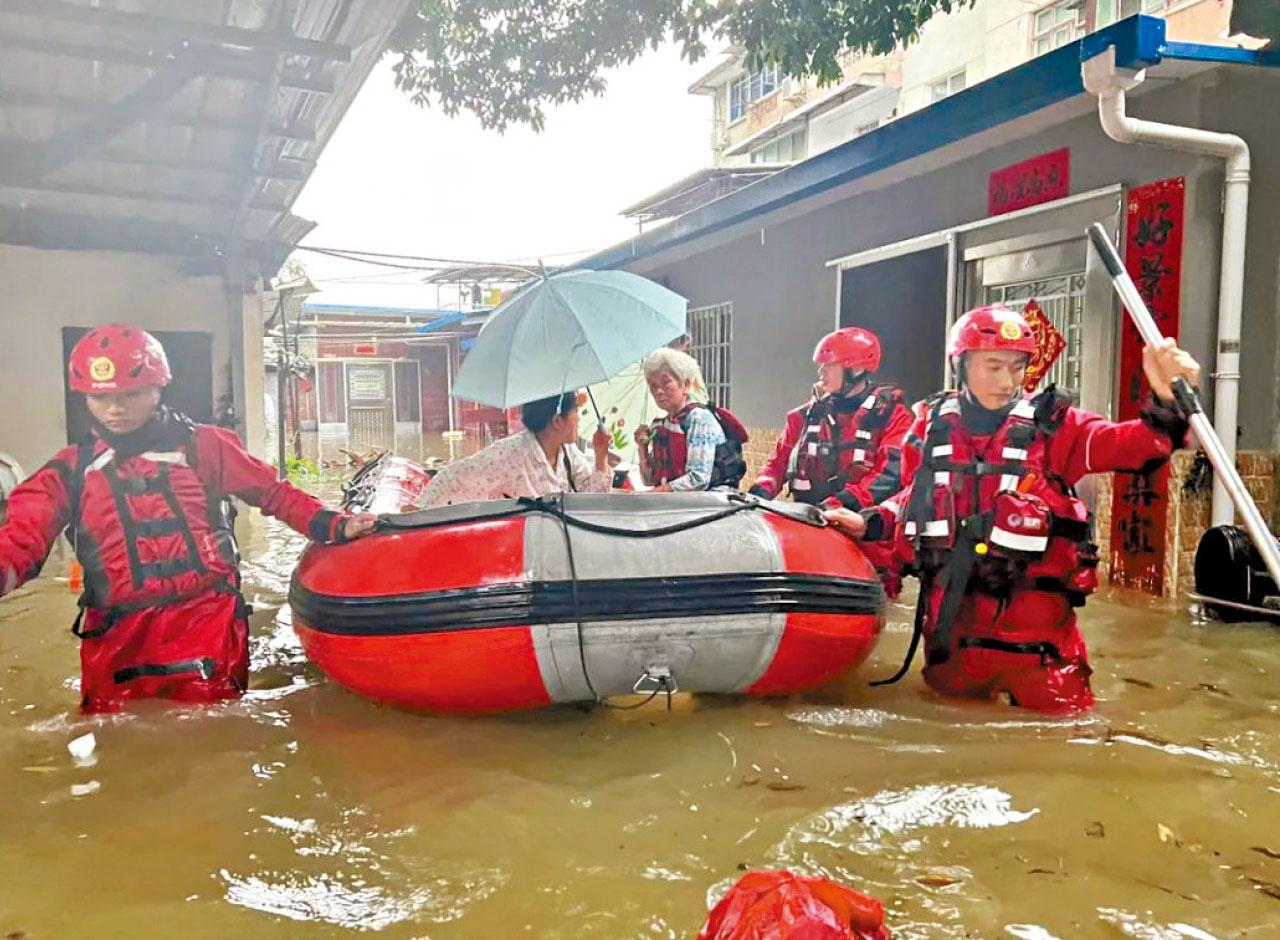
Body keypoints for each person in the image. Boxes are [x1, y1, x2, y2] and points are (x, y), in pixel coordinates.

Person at [824, 306, 1200, 713]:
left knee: (1057, 745)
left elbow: (1135, 445)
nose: (1009, 381)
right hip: (954, 645)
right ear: (960, 365)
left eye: (1018, 367)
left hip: (1038, 652)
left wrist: (1167, 402)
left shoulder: (1057, 427)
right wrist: (870, 521)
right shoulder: (931, 427)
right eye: (994, 366)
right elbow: (918, 498)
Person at [0, 324, 377, 713]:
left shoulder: (207, 447)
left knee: (213, 732)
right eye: (101, 397)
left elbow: (273, 493)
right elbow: (22, 534)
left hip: (205, 622)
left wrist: (334, 524)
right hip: (116, 634)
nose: (115, 408)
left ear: (157, 388)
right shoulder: (71, 470)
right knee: (114, 738)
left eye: (130, 395)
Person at [748, 327, 913, 511]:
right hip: (808, 521)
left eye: (829, 366)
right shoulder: (804, 417)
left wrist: (837, 505)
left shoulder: (890, 414)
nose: (821, 372)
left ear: (855, 370)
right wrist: (758, 492)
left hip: (861, 528)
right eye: (821, 365)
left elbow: (889, 475)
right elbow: (778, 464)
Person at [417, 391, 611, 508]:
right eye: (575, 412)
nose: (579, 418)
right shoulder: (509, 454)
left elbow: (591, 501)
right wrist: (417, 510)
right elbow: (453, 477)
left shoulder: (569, 453)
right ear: (557, 421)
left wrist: (601, 455)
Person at [634, 348, 748, 492]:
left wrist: (655, 494)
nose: (659, 391)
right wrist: (642, 448)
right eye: (653, 386)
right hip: (676, 504)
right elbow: (649, 480)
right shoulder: (660, 425)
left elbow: (698, 479)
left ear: (686, 385)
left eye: (666, 382)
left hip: (710, 504)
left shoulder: (699, 418)